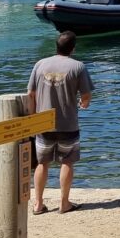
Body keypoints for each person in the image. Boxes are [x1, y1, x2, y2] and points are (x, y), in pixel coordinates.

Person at [27, 31, 94, 214]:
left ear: (56, 46)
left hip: (42, 123)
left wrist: (33, 119)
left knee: (42, 164)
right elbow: (86, 95)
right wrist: (84, 103)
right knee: (67, 162)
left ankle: (38, 204)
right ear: (73, 48)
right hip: (68, 123)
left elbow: (31, 94)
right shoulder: (78, 66)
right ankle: (64, 204)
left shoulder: (40, 64)